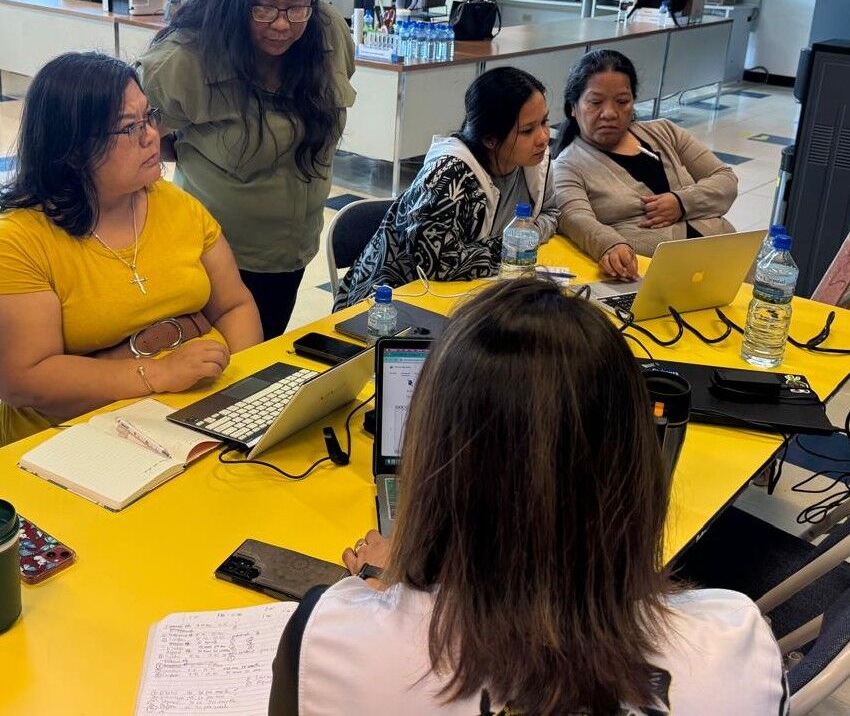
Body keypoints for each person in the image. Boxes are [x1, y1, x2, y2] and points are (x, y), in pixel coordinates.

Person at [269, 279, 788, 713]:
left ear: (432, 468)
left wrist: (386, 590)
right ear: (637, 467)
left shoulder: (328, 639)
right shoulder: (736, 647)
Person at [0, 52, 262, 447]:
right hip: (78, 436)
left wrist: (243, 392)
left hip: (196, 415)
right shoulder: (20, 239)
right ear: (73, 148)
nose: (152, 135)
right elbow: (24, 378)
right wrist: (156, 373)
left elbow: (233, 305)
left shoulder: (175, 204)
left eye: (149, 118)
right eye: (129, 128)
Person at [136, 0, 356, 339]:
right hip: (214, 259)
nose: (281, 24)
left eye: (296, 6)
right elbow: (134, 143)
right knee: (220, 380)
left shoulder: (326, 32)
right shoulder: (187, 58)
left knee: (261, 361)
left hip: (292, 252)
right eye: (263, 7)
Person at [333, 66, 559, 309]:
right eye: (527, 130)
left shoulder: (535, 165)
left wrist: (528, 235)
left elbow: (551, 213)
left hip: (473, 296)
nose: (543, 137)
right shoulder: (447, 178)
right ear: (490, 138)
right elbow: (440, 265)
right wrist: (516, 243)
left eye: (544, 122)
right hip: (390, 304)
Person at [552, 49, 737, 281]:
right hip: (653, 271)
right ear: (573, 107)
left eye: (622, 101)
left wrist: (682, 202)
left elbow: (725, 179)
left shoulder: (665, 132)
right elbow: (575, 217)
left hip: (724, 258)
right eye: (595, 102)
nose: (609, 113)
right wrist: (610, 245)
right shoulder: (568, 165)